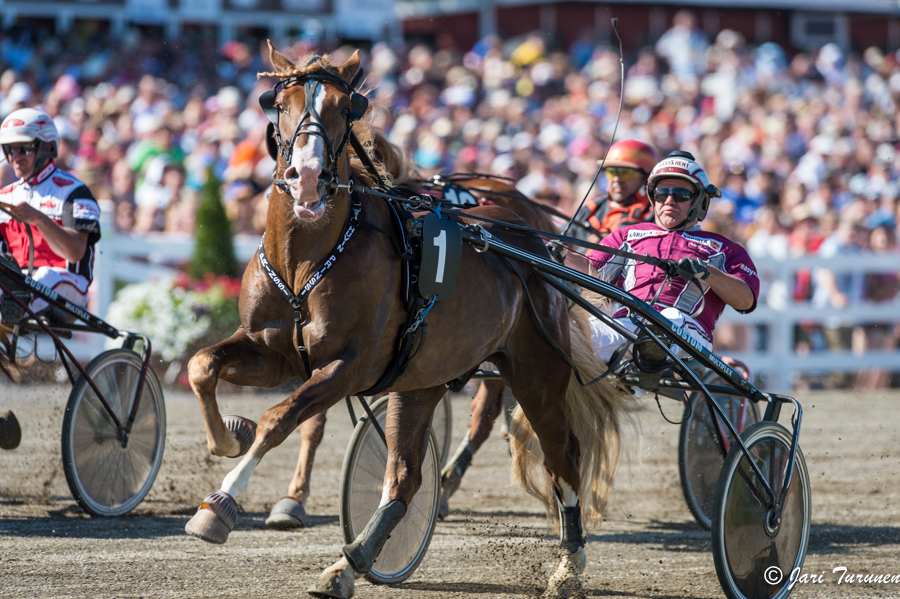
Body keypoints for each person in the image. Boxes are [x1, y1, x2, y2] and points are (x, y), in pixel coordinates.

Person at [586, 151, 760, 367]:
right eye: (661, 194)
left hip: (686, 333)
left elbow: (746, 300)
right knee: (575, 331)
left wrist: (707, 272)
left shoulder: (725, 248)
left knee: (669, 318)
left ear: (700, 201)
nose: (669, 201)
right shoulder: (625, 235)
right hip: (625, 326)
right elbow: (588, 272)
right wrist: (556, 252)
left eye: (680, 195)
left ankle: (652, 343)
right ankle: (647, 345)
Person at [0, 108, 102, 450]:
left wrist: (39, 219)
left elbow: (74, 251)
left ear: (45, 148)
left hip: (66, 286)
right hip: (21, 286)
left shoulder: (74, 191)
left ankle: (13, 304)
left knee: (39, 277)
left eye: (24, 148)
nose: (16, 157)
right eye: (10, 150)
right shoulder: (6, 196)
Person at [575, 139, 659, 241]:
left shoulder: (657, 213)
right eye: (611, 172)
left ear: (645, 177)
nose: (616, 179)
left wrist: (610, 243)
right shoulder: (591, 209)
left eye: (626, 173)